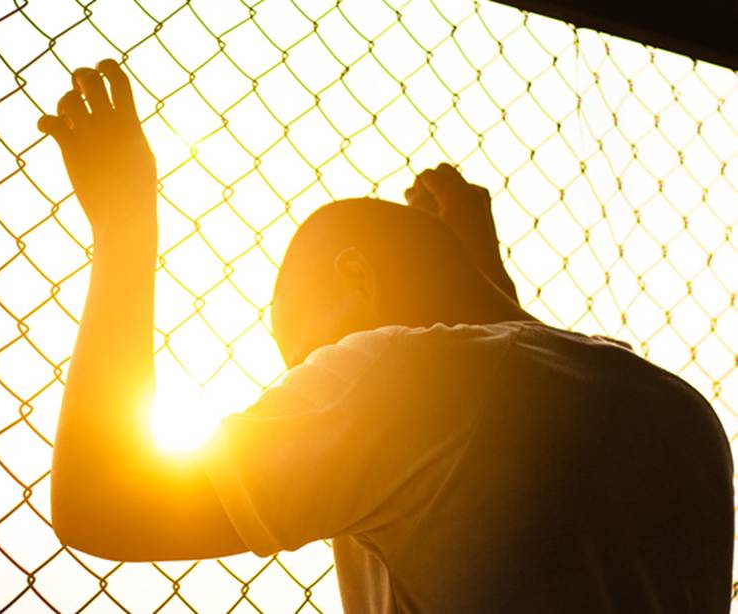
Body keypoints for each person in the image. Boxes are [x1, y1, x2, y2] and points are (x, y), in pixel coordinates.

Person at [38, 59, 734, 613]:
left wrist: (125, 231)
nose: (302, 386)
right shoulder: (677, 412)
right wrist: (484, 282)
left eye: (302, 356)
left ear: (357, 278)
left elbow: (102, 503)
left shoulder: (395, 373)